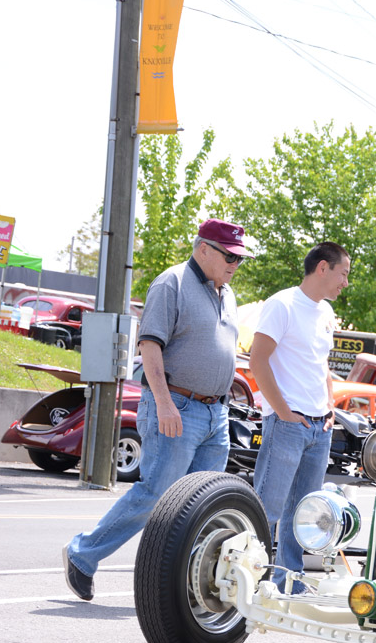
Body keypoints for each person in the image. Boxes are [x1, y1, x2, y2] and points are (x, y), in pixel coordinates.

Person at [62, 219, 252, 600]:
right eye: (230, 255)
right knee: (156, 495)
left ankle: (179, 586)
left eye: (240, 258)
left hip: (215, 414)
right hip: (176, 407)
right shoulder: (172, 283)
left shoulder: (225, 293)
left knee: (200, 506)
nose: (236, 263)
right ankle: (82, 555)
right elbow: (150, 347)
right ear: (204, 249)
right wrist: (165, 404)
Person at [249, 241, 350, 593]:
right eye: (343, 273)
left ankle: (287, 584)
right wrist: (283, 413)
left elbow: (320, 363)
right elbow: (257, 361)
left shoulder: (325, 313)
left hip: (319, 426)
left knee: (302, 513)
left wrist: (331, 404)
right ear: (323, 268)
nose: (345, 283)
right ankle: (247, 582)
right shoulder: (282, 304)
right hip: (287, 424)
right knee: (266, 508)